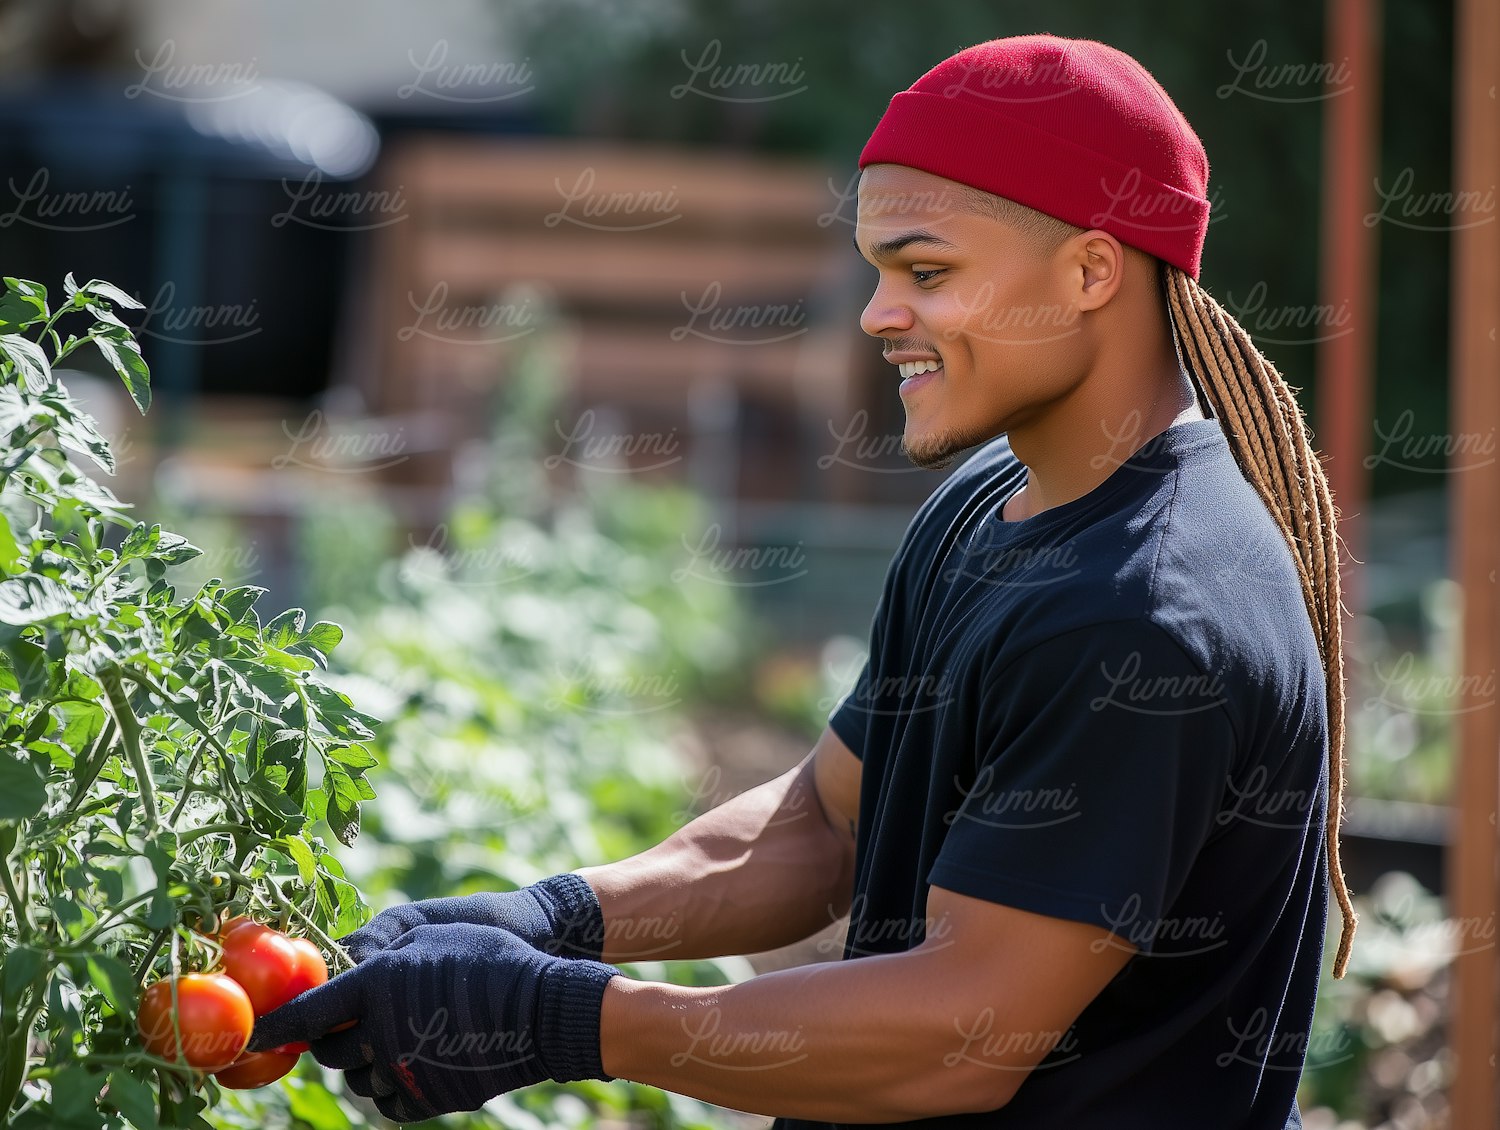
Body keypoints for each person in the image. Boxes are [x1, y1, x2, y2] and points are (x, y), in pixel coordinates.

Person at [250, 34, 1357, 1129]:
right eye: (878, 270)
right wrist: (552, 917)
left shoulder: (1144, 615)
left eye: (927, 272)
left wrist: (569, 1020)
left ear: (1088, 270)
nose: (878, 313)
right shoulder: (993, 499)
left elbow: (957, 1039)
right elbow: (825, 824)